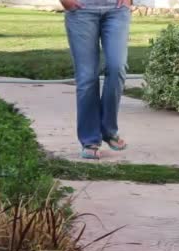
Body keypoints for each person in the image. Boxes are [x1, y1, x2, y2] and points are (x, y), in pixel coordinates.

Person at [60, 0, 132, 159]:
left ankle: (109, 130)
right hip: (80, 11)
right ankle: (90, 140)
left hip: (117, 10)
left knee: (117, 67)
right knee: (87, 77)